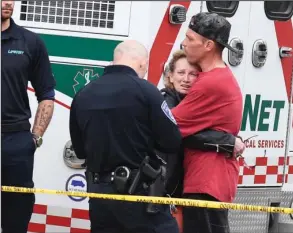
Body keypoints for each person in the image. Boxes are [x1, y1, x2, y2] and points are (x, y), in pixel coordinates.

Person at [69, 40, 182, 233]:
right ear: (142, 63)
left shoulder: (83, 94)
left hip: (100, 198)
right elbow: (172, 141)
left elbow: (79, 150)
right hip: (139, 195)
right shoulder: (147, 92)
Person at [170, 12, 245, 233]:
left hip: (206, 183)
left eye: (190, 39)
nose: (184, 43)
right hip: (209, 182)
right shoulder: (215, 78)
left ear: (209, 45)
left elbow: (167, 125)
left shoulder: (211, 83)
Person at [1, 1, 56, 233]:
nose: (8, 3)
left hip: (16, 141)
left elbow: (46, 94)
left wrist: (35, 137)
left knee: (16, 215)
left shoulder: (30, 42)